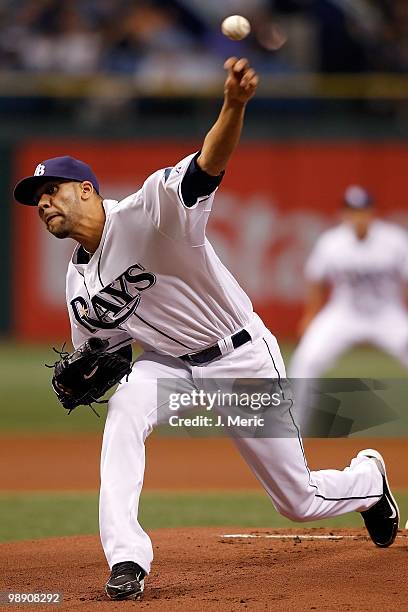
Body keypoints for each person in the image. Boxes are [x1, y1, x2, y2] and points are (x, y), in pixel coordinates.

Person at [14, 58, 399, 601]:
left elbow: (205, 168)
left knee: (298, 501)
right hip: (170, 367)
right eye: (35, 200)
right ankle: (127, 557)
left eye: (50, 190)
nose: (43, 203)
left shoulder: (150, 211)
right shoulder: (76, 285)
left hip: (239, 358)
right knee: (124, 411)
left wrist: (234, 105)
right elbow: (100, 356)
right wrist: (92, 370)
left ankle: (367, 480)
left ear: (85, 188)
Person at [290, 185, 408, 379]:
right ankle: (295, 410)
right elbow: (315, 279)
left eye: (362, 210)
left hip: (386, 312)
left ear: (372, 212)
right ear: (344, 213)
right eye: (353, 211)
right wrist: (310, 315)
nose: (358, 216)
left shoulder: (394, 240)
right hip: (344, 312)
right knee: (305, 360)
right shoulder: (332, 242)